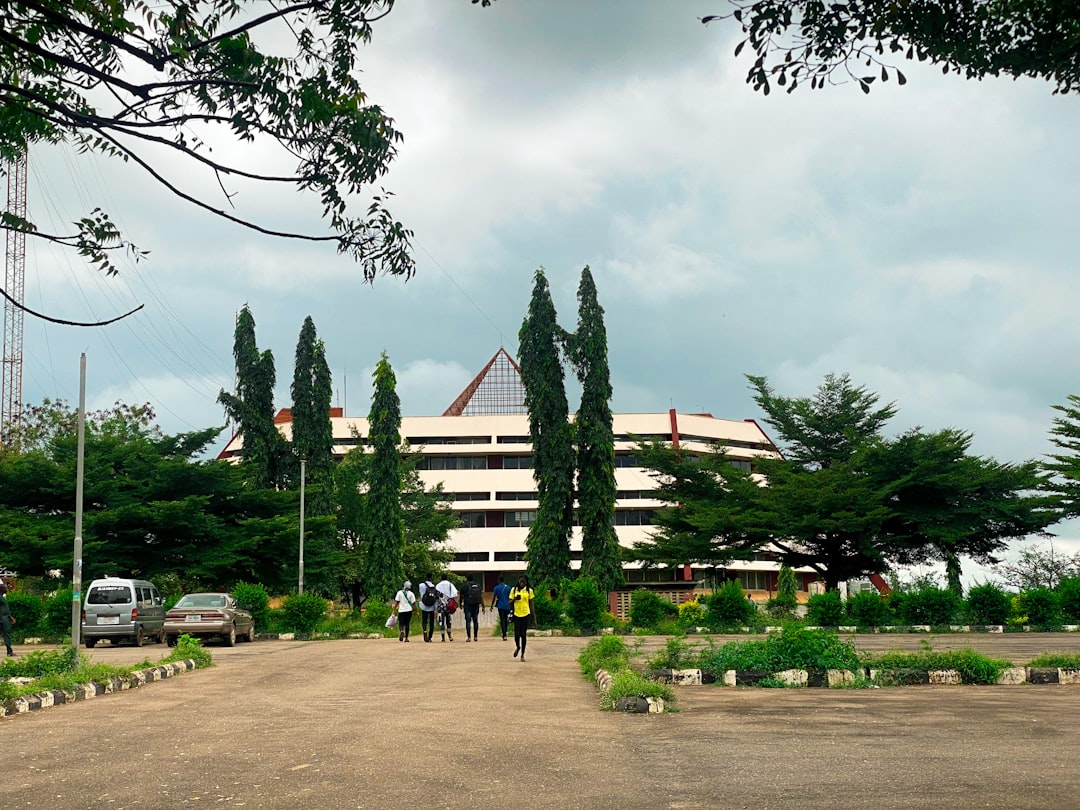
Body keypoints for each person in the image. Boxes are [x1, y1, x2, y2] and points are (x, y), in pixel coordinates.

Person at [509, 574, 536, 662]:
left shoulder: (529, 591)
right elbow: (509, 602)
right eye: (520, 581)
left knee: (523, 634)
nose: (522, 583)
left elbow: (531, 605)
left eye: (523, 582)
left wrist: (534, 618)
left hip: (525, 613)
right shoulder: (514, 590)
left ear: (526, 582)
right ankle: (518, 647)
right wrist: (514, 599)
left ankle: (522, 654)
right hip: (517, 614)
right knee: (517, 634)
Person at [435, 573, 458, 642]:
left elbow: (436, 597)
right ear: (447, 578)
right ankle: (450, 636)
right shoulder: (450, 585)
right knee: (448, 622)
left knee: (441, 622)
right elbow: (455, 594)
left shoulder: (438, 586)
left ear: (441, 578)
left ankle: (443, 638)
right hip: (448, 606)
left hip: (441, 606)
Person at [461, 573, 483, 642]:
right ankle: (475, 637)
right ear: (473, 578)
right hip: (476, 605)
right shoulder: (478, 586)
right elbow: (480, 596)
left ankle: (469, 637)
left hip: (467, 606)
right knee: (475, 621)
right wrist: (483, 606)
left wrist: (460, 603)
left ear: (467, 578)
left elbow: (461, 596)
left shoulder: (464, 586)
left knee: (468, 621)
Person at [490, 574, 511, 641]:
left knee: (502, 619)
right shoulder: (508, 588)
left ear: (498, 580)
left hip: (500, 606)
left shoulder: (496, 588)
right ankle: (505, 632)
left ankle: (504, 634)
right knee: (506, 620)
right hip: (507, 606)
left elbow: (494, 597)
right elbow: (511, 597)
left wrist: (491, 606)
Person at [419, 574, 438, 643]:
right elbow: (436, 599)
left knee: (424, 620)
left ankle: (424, 630)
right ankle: (430, 637)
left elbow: (421, 595)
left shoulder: (421, 585)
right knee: (431, 622)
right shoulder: (434, 587)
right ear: (432, 578)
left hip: (424, 606)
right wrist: (436, 609)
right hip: (432, 607)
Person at [0, 580, 15, 657]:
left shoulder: (2, 598)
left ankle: (9, 651)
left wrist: (10, 617)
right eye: (5, 588)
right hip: (1, 619)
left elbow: (6, 609)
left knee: (7, 635)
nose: (7, 589)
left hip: (5, 619)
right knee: (6, 635)